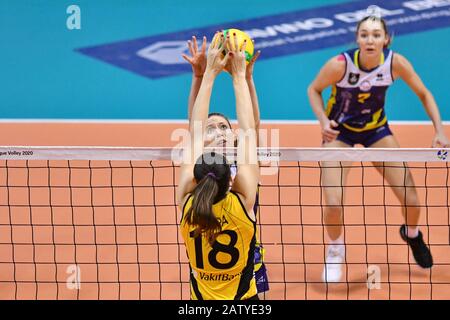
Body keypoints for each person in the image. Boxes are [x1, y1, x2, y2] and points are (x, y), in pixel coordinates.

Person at [307, 14, 450, 283]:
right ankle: (336, 249)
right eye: (364, 34)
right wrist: (323, 122)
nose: (369, 40)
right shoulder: (340, 65)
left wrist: (440, 131)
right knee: (333, 203)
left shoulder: (395, 63)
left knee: (412, 200)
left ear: (386, 39)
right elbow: (314, 89)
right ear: (357, 39)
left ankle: (411, 234)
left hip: (377, 132)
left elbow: (424, 94)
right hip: (340, 134)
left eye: (375, 34)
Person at [182, 33, 269, 294]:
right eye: (212, 129)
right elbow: (248, 129)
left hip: (245, 255)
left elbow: (198, 130)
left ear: (233, 138)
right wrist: (240, 77)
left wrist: (205, 76)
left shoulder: (190, 188)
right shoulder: (244, 186)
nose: (218, 132)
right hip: (233, 267)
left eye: (223, 127)